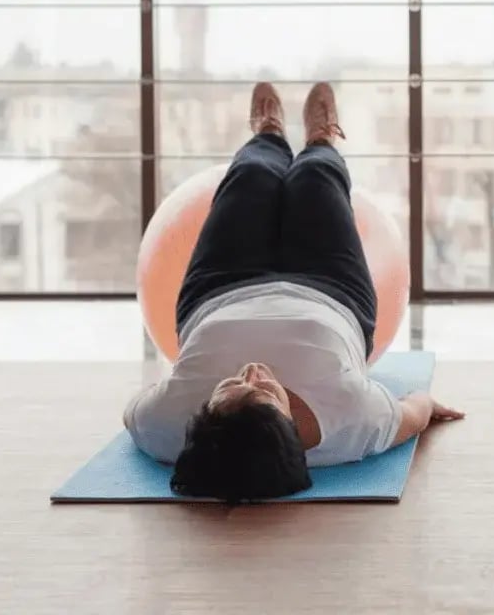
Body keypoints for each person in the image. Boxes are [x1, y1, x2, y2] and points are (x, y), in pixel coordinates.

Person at [123, 82, 463, 503]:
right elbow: (415, 410)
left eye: (230, 387)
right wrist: (430, 405)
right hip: (332, 288)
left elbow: (131, 414)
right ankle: (321, 136)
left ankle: (267, 132)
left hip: (219, 288)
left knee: (250, 175)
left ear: (206, 415)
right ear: (291, 426)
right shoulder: (354, 422)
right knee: (316, 177)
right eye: (265, 390)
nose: (252, 369)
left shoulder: (167, 428)